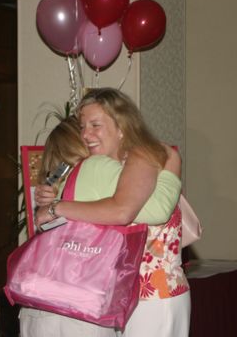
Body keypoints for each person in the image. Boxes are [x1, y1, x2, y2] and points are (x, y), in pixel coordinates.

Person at [33, 88, 190, 337]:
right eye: (82, 126)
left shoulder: (142, 155)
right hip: (121, 295)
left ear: (122, 127)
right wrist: (52, 197)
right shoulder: (106, 166)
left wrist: (57, 207)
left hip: (154, 294)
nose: (85, 134)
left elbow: (132, 210)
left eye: (95, 125)